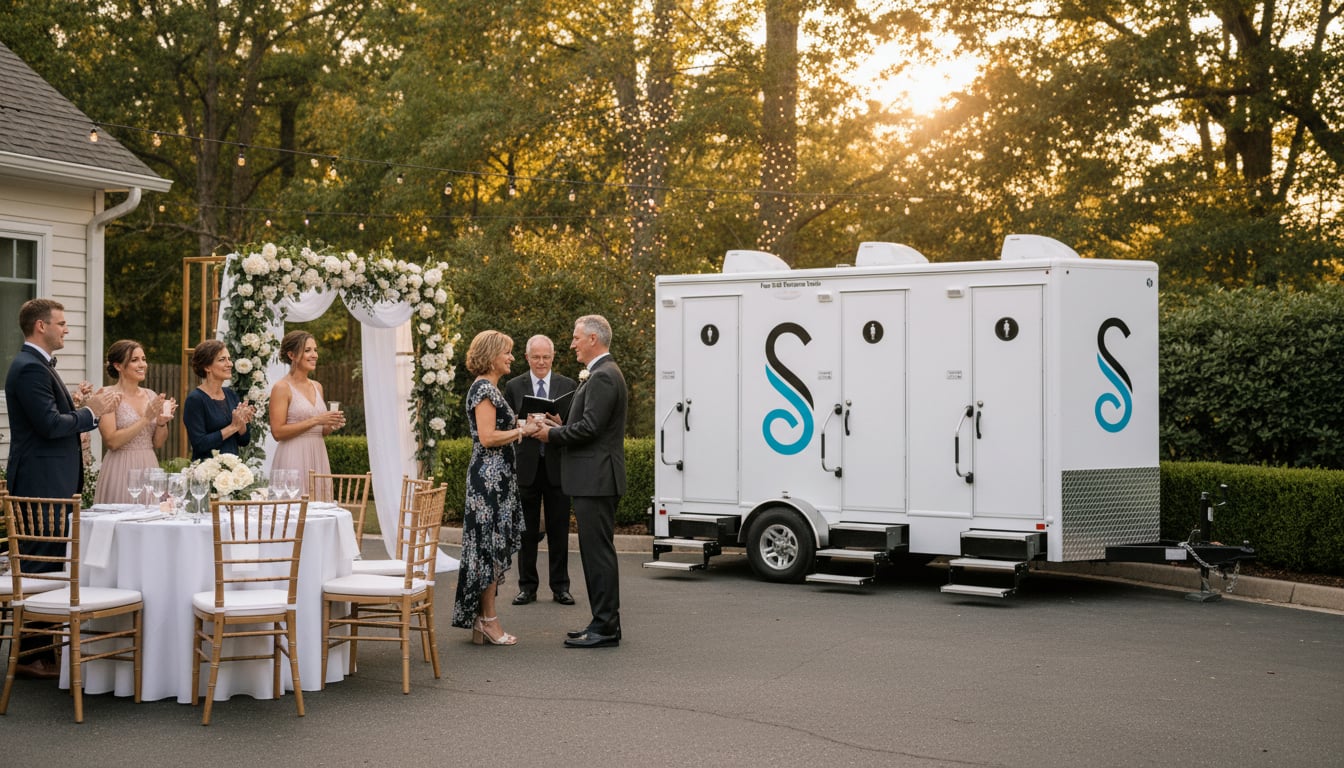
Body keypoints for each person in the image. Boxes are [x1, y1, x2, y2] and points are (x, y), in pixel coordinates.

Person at [5, 298, 120, 679]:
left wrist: (81, 406)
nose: (66, 329)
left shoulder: (38, 367)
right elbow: (51, 426)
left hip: (52, 479)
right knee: (41, 563)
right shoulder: (28, 369)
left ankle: (46, 649)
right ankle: (29, 656)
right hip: (40, 482)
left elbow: (53, 418)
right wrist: (92, 413)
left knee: (53, 560)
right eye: (62, 323)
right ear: (41, 326)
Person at [535, 314, 628, 649]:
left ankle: (605, 627)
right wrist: (561, 422)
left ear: (592, 339)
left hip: (597, 478)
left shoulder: (604, 376)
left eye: (576, 337)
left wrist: (551, 434)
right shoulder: (602, 374)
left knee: (598, 554)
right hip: (594, 478)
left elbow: (590, 428)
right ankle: (602, 622)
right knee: (594, 553)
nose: (572, 343)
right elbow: (589, 421)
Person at [450, 330, 539, 646]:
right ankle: (488, 620)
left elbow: (494, 430)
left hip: (497, 481)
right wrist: (521, 432)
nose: (512, 357)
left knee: (490, 548)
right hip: (488, 484)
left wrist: (520, 427)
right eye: (507, 352)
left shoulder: (488, 388)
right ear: (491, 355)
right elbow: (487, 437)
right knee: (488, 549)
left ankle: (481, 619)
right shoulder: (484, 389)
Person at [503, 334, 576, 607]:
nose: (541, 361)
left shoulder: (567, 385)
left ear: (553, 357)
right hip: (527, 466)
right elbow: (507, 426)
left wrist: (559, 423)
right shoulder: (513, 386)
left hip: (557, 465)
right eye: (536, 357)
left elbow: (574, 426)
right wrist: (525, 423)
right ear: (527, 358)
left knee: (559, 530)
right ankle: (527, 587)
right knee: (526, 531)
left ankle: (561, 587)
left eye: (546, 357)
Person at [93, 339, 175, 505]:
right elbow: (112, 442)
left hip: (149, 465)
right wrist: (146, 418)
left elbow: (158, 443)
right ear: (118, 366)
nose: (142, 365)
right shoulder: (106, 395)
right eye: (134, 360)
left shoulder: (150, 395)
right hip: (120, 468)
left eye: (143, 359)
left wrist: (161, 422)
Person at [268, 330, 344, 483]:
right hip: (293, 457)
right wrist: (316, 420)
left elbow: (321, 431)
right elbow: (277, 432)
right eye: (308, 350)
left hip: (318, 454)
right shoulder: (282, 387)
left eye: (315, 350)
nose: (314, 355)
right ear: (292, 355)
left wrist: (331, 423)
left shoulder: (317, 386)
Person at [182, 339, 255, 461]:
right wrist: (233, 427)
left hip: (233, 471)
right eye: (222, 360)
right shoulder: (195, 399)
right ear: (207, 367)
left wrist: (242, 423)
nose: (230, 364)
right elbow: (200, 444)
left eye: (229, 359)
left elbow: (244, 441)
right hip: (207, 472)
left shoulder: (231, 395)